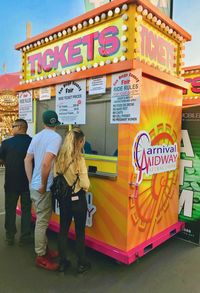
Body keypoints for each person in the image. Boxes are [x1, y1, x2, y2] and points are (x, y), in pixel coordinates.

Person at [24, 110, 62, 271]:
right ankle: (40, 255)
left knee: (41, 218)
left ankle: (45, 249)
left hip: (34, 185)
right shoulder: (56, 137)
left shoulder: (37, 137)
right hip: (42, 187)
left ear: (44, 122)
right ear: (56, 123)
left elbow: (27, 159)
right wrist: (43, 184)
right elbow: (47, 164)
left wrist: (31, 180)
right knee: (42, 222)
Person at [54, 127, 91, 274]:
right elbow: (85, 183)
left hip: (64, 199)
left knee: (63, 230)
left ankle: (63, 262)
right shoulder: (79, 159)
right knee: (80, 232)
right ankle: (82, 263)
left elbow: (55, 175)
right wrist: (84, 188)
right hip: (78, 200)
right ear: (80, 142)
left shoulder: (59, 157)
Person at [0, 118, 32, 246]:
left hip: (11, 183)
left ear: (19, 127)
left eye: (13, 126)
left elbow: (1, 160)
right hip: (27, 183)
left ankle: (10, 236)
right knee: (26, 210)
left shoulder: (6, 143)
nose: (11, 128)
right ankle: (25, 236)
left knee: (10, 209)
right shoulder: (32, 142)